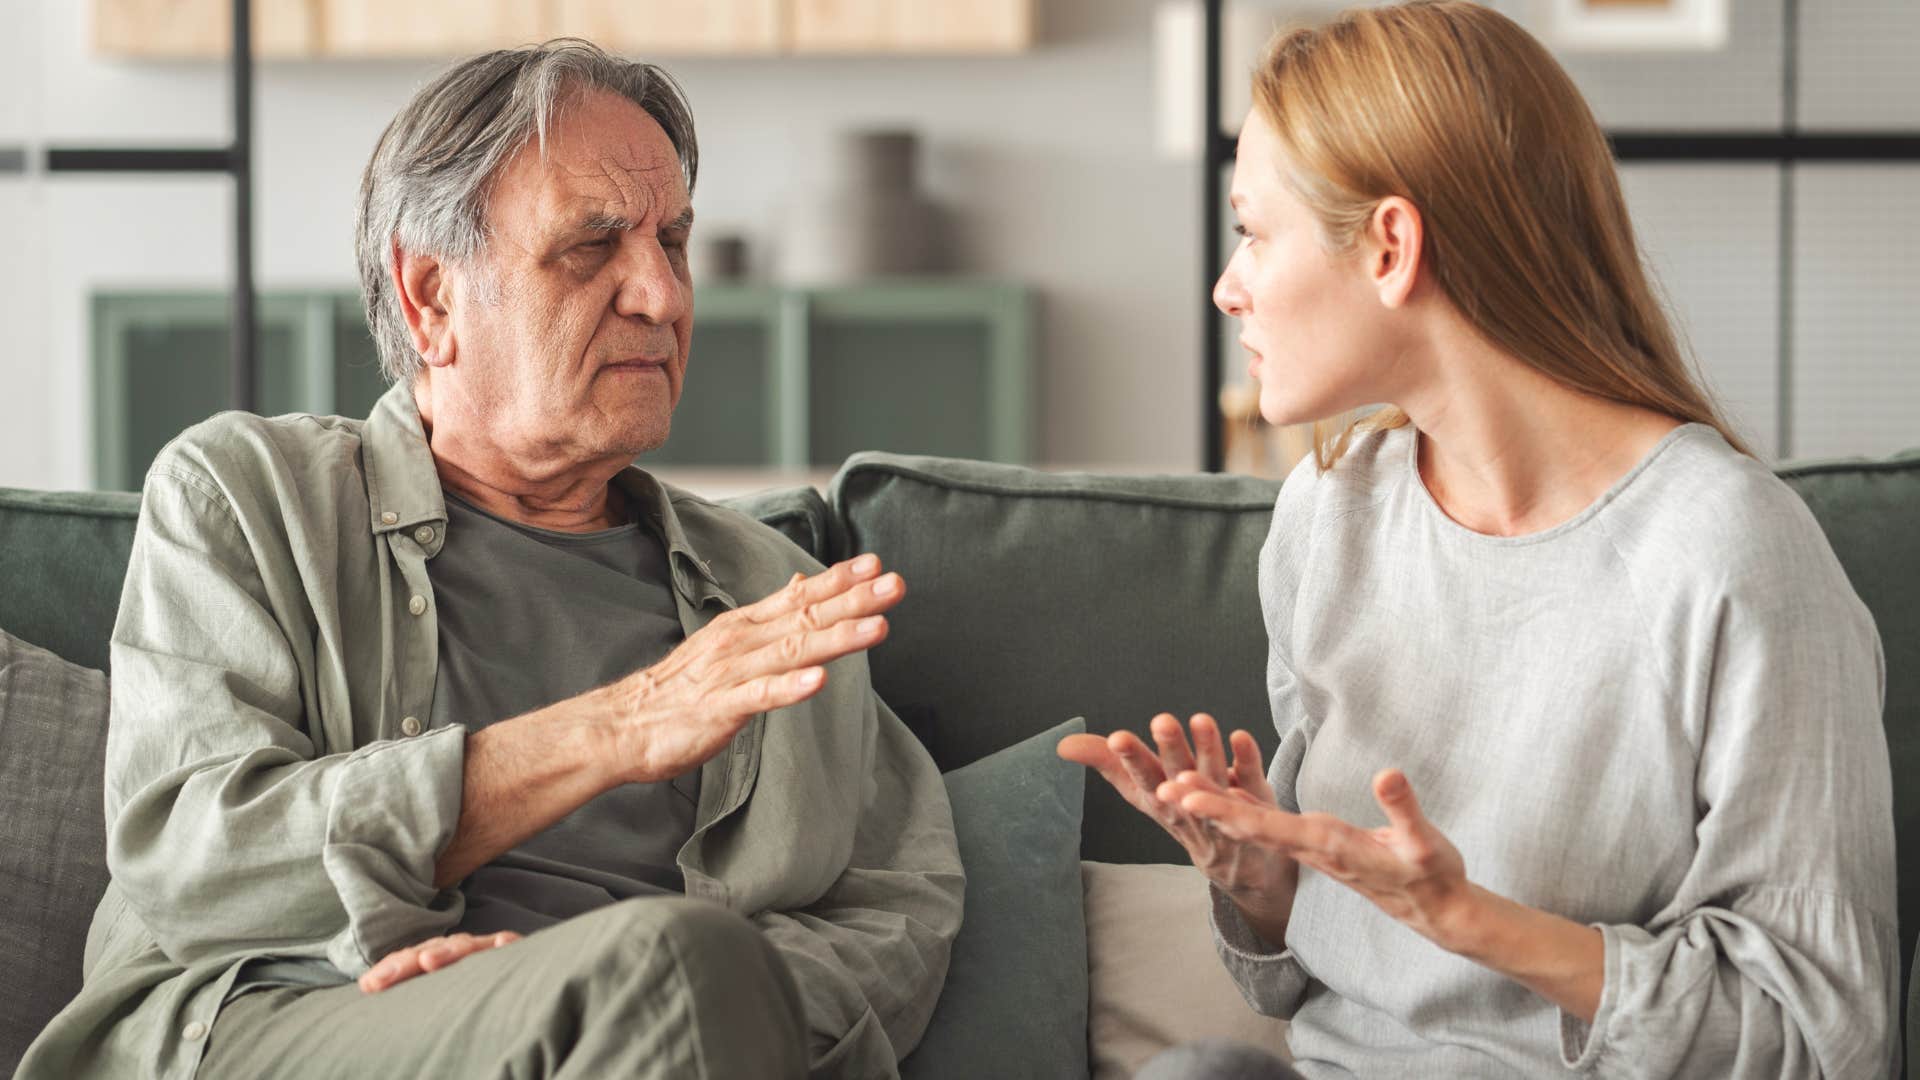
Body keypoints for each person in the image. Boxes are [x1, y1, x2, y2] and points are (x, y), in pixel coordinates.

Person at [18, 40, 962, 1080]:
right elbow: (196, 865)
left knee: (675, 974)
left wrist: (613, 1001)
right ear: (430, 300)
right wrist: (623, 724)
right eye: (592, 246)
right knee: (671, 968)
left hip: (639, 1046)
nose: (661, 293)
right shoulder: (248, 496)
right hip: (280, 1024)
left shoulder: (773, 595)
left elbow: (892, 916)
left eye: (674, 240)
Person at [1061, 3, 1897, 1077]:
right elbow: (1297, 988)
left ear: (1391, 248)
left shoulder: (1729, 555)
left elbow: (1827, 1035)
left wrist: (1478, 924)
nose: (1229, 285)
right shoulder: (1330, 516)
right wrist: (1265, 890)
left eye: (1254, 230)